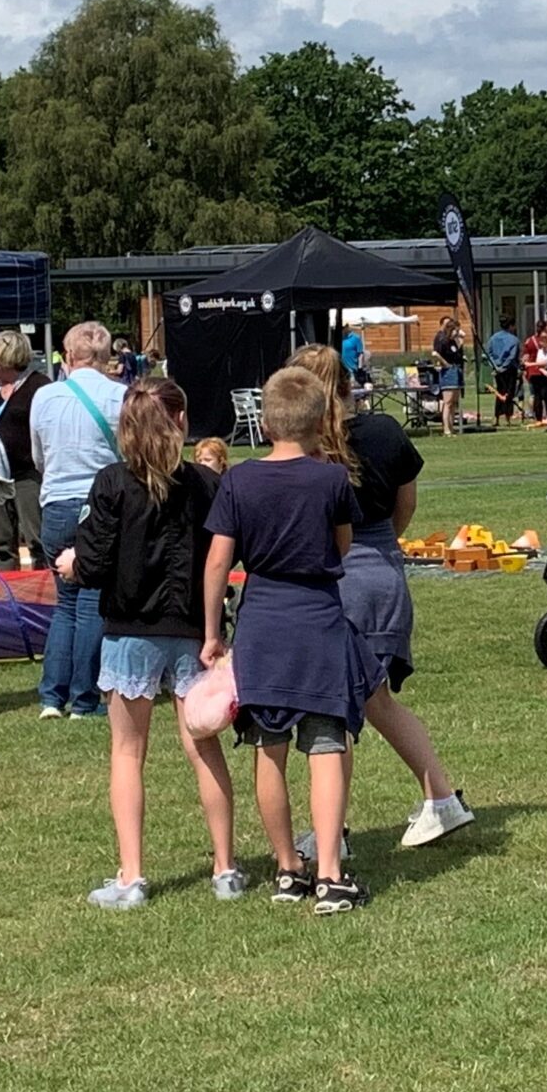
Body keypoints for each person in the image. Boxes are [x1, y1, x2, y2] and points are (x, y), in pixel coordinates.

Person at [202, 367, 381, 916]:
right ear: (317, 421)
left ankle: (286, 867)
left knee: (268, 748)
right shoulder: (330, 481)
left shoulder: (238, 480)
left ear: (267, 418)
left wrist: (212, 632)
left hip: (261, 620)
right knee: (326, 745)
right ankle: (330, 873)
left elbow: (217, 562)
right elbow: (344, 546)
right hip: (318, 619)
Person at [290, 345, 474, 850]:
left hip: (337, 580)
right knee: (377, 702)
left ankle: (332, 833)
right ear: (349, 384)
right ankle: (440, 798)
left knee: (333, 716)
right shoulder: (387, 432)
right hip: (385, 570)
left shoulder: (310, 451)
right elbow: (405, 505)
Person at [72, 380, 240, 910]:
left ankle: (132, 876)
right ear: (182, 422)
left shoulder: (112, 484)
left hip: (131, 630)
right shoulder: (207, 486)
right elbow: (228, 557)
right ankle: (225, 868)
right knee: (203, 745)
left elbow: (94, 565)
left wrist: (72, 563)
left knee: (127, 752)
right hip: (194, 630)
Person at [32, 321, 126, 721]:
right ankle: (85, 699)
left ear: (68, 356)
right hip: (101, 503)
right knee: (92, 602)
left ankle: (52, 696)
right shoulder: (119, 396)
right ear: (108, 358)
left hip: (55, 502)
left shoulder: (44, 396)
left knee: (64, 604)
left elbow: (39, 455)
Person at [0, 331, 48, 570]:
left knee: (37, 540)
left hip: (27, 475)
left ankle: (42, 598)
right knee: (1, 543)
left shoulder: (40, 386)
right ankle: (10, 596)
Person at [429, 316, 466, 438]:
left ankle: (451, 426)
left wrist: (461, 341)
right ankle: (446, 429)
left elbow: (457, 354)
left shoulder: (453, 342)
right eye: (455, 330)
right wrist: (445, 364)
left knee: (454, 402)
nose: (457, 332)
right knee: (448, 402)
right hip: (448, 372)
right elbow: (436, 354)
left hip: (456, 370)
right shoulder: (443, 340)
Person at [485, 315, 522, 427]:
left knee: (500, 392)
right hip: (510, 369)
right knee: (509, 393)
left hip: (497, 369)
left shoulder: (493, 338)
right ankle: (507, 417)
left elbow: (488, 353)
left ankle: (496, 417)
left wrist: (495, 366)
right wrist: (504, 366)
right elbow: (512, 356)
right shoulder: (514, 340)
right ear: (511, 326)